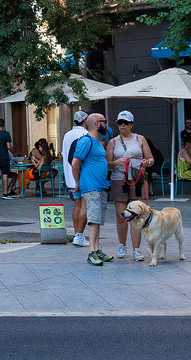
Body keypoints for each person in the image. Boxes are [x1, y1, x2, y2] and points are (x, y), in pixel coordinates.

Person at [109, 110, 155, 260]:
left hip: (137, 179)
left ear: (131, 124)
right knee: (121, 215)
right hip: (119, 179)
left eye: (126, 123)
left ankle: (137, 249)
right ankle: (122, 245)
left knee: (136, 215)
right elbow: (107, 163)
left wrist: (146, 163)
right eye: (120, 123)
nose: (122, 125)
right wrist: (116, 162)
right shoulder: (113, 141)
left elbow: (150, 159)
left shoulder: (139, 139)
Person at [69, 112, 112, 266]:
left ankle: (97, 249)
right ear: (96, 124)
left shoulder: (97, 142)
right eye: (104, 122)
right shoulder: (86, 141)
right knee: (93, 220)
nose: (106, 125)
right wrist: (77, 183)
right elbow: (75, 163)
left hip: (100, 186)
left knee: (97, 219)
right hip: (91, 186)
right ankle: (92, 252)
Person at [60, 110, 90, 246]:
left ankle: (77, 234)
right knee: (84, 204)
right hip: (81, 175)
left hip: (70, 177)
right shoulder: (85, 135)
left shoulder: (67, 135)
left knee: (77, 204)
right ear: (85, 121)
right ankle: (79, 235)